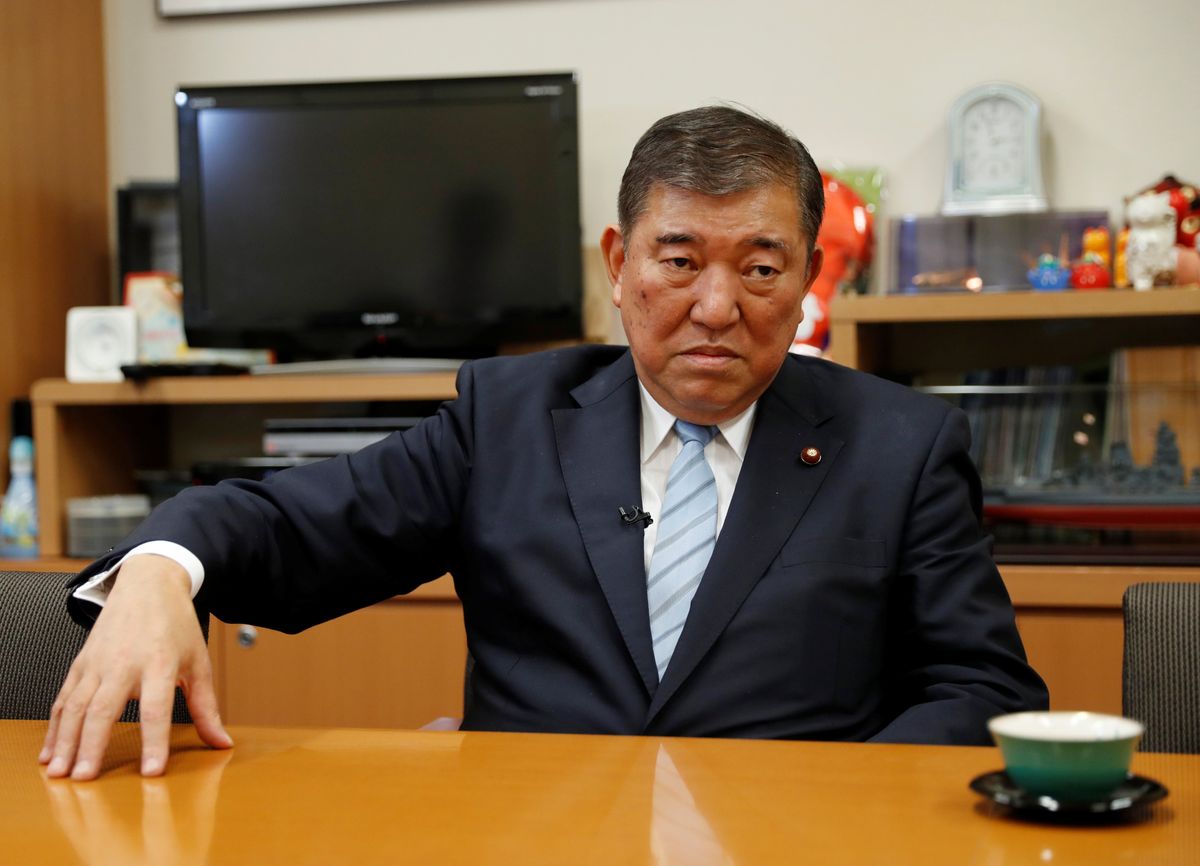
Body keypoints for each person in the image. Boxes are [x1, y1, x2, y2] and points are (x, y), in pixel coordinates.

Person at [41, 105, 1047, 781]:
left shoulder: (902, 443)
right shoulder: (509, 417)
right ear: (619, 263)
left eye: (761, 266)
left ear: (806, 282)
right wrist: (161, 572)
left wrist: (826, 805)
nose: (714, 305)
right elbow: (295, 526)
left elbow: (985, 689)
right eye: (680, 257)